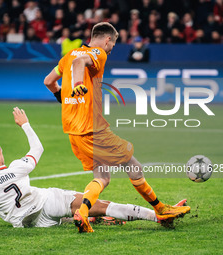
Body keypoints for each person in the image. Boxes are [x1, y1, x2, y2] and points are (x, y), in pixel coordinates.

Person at [0, 107, 184, 230]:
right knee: (101, 204)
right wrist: (24, 124)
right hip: (46, 202)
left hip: (27, 224)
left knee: (71, 215)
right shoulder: (15, 168)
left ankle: (83, 218)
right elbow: (37, 150)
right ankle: (157, 216)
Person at [43, 22, 190, 233]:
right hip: (92, 129)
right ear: (107, 39)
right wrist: (76, 85)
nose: (111, 50)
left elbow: (49, 81)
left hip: (73, 131)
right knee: (133, 166)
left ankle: (82, 213)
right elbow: (79, 62)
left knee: (102, 177)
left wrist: (62, 97)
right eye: (113, 45)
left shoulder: (66, 56)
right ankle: (161, 209)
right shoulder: (97, 53)